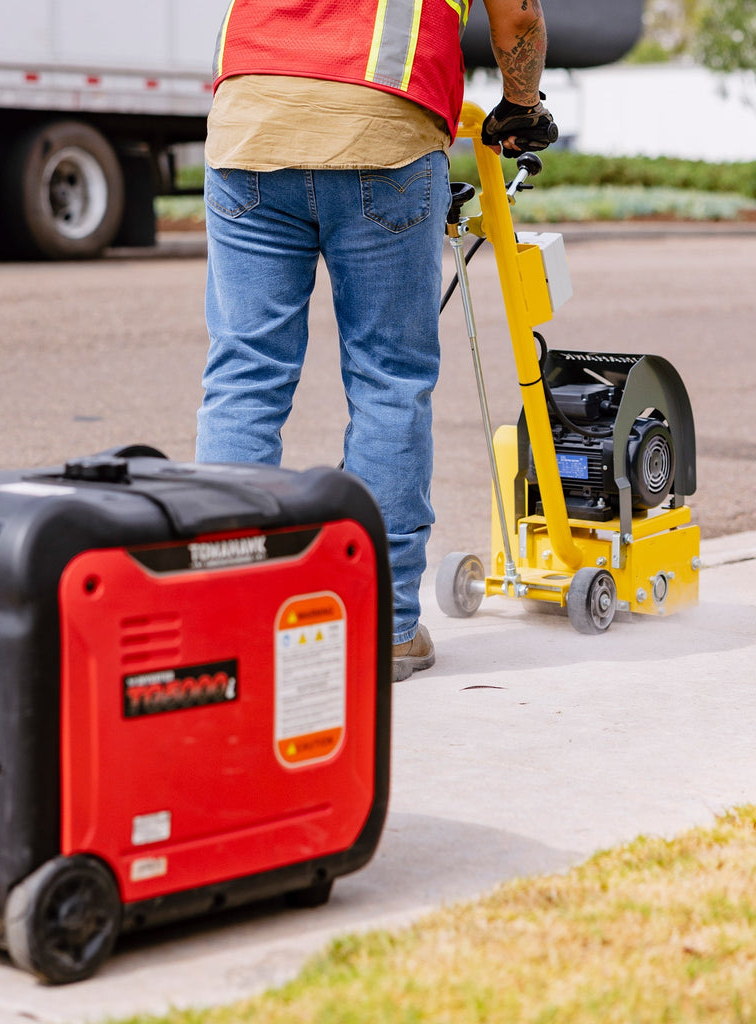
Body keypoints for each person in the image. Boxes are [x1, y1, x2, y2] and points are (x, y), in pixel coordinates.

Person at [195, 0, 558, 681]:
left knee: (244, 375)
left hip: (251, 125)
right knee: (389, 380)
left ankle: (224, 625)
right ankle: (384, 628)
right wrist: (521, 104)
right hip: (381, 131)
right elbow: (519, 16)